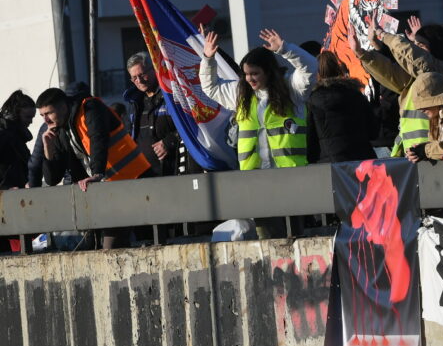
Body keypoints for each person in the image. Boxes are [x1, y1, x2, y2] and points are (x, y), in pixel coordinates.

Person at [200, 27, 316, 238]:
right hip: (256, 184)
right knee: (268, 242)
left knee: (296, 240)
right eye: (245, 74)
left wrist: (285, 49)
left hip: (291, 181)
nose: (249, 79)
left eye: (255, 74)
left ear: (269, 72)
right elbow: (210, 88)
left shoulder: (292, 91)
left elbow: (310, 68)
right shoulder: (241, 95)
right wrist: (208, 58)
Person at [36, 87, 153, 249]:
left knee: (132, 242)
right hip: (107, 192)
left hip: (134, 179)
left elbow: (98, 139)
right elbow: (52, 179)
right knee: (109, 246)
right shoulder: (60, 130)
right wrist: (47, 148)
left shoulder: (90, 108)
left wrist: (97, 173)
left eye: (48, 113)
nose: (45, 120)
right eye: (42, 115)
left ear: (63, 106)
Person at [352, 15, 443, 157]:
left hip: (436, 151)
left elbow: (419, 60)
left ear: (436, 46)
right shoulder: (414, 76)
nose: (416, 48)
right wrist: (361, 53)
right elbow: (390, 73)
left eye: (420, 45)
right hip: (414, 153)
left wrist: (383, 35)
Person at [306, 50, 378, 164]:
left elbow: (311, 138)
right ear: (339, 68)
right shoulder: (355, 93)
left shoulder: (314, 98)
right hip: (362, 160)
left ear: (317, 73)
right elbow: (373, 131)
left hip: (330, 162)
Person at [123, 52, 185, 177]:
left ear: (153, 70)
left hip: (173, 172)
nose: (139, 80)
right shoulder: (134, 104)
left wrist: (169, 142)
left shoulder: (171, 96)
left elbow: (191, 125)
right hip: (144, 174)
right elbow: (129, 136)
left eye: (142, 75)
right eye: (134, 78)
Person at [0, 90, 35, 190]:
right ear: (15, 114)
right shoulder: (4, 135)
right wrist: (4, 187)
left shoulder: (17, 138)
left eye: (32, 117)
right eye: (28, 117)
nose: (31, 122)